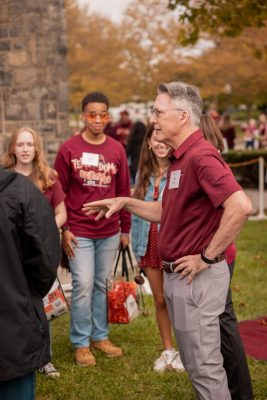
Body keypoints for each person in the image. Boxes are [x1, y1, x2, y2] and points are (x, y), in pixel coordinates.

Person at [83, 81, 252, 399]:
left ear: (183, 116)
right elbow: (166, 211)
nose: (153, 119)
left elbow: (241, 206)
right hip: (179, 275)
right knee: (196, 365)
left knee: (205, 367)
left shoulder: (202, 157)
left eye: (158, 112)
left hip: (196, 277)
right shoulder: (180, 160)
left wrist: (208, 256)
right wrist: (125, 202)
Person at [54, 91, 131, 367]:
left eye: (102, 114)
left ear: (108, 116)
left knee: (100, 284)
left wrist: (125, 230)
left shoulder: (117, 149)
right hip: (78, 231)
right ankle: (80, 342)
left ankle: (100, 336)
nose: (97, 119)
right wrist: (64, 229)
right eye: (91, 114)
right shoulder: (68, 149)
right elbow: (57, 192)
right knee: (83, 284)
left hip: (109, 231)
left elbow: (123, 191)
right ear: (83, 116)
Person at [2, 126, 67, 378]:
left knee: (43, 305)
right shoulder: (5, 179)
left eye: (30, 144)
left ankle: (44, 357)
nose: (26, 149)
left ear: (36, 148)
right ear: (13, 149)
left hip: (40, 250)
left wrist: (45, 231)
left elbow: (61, 212)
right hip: (12, 253)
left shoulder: (48, 177)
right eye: (21, 145)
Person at [200, 115, 254, 400]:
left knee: (223, 323)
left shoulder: (211, 165)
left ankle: (238, 392)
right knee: (220, 323)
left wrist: (209, 255)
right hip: (217, 254)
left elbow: (241, 207)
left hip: (218, 256)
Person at [0, 166, 61, 400]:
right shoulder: (19, 190)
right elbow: (45, 259)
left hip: (12, 325)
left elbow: (44, 257)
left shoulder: (18, 190)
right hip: (13, 322)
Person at [132, 125, 184, 372]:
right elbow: (135, 214)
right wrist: (136, 251)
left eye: (165, 138)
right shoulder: (143, 173)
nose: (161, 143)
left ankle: (186, 352)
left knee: (179, 300)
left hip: (174, 245)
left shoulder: (181, 169)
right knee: (161, 300)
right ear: (149, 143)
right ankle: (168, 351)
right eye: (156, 139)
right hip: (148, 245)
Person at [126, 119, 147, 184]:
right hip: (145, 165)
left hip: (134, 165)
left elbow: (126, 154)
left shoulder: (132, 141)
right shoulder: (147, 141)